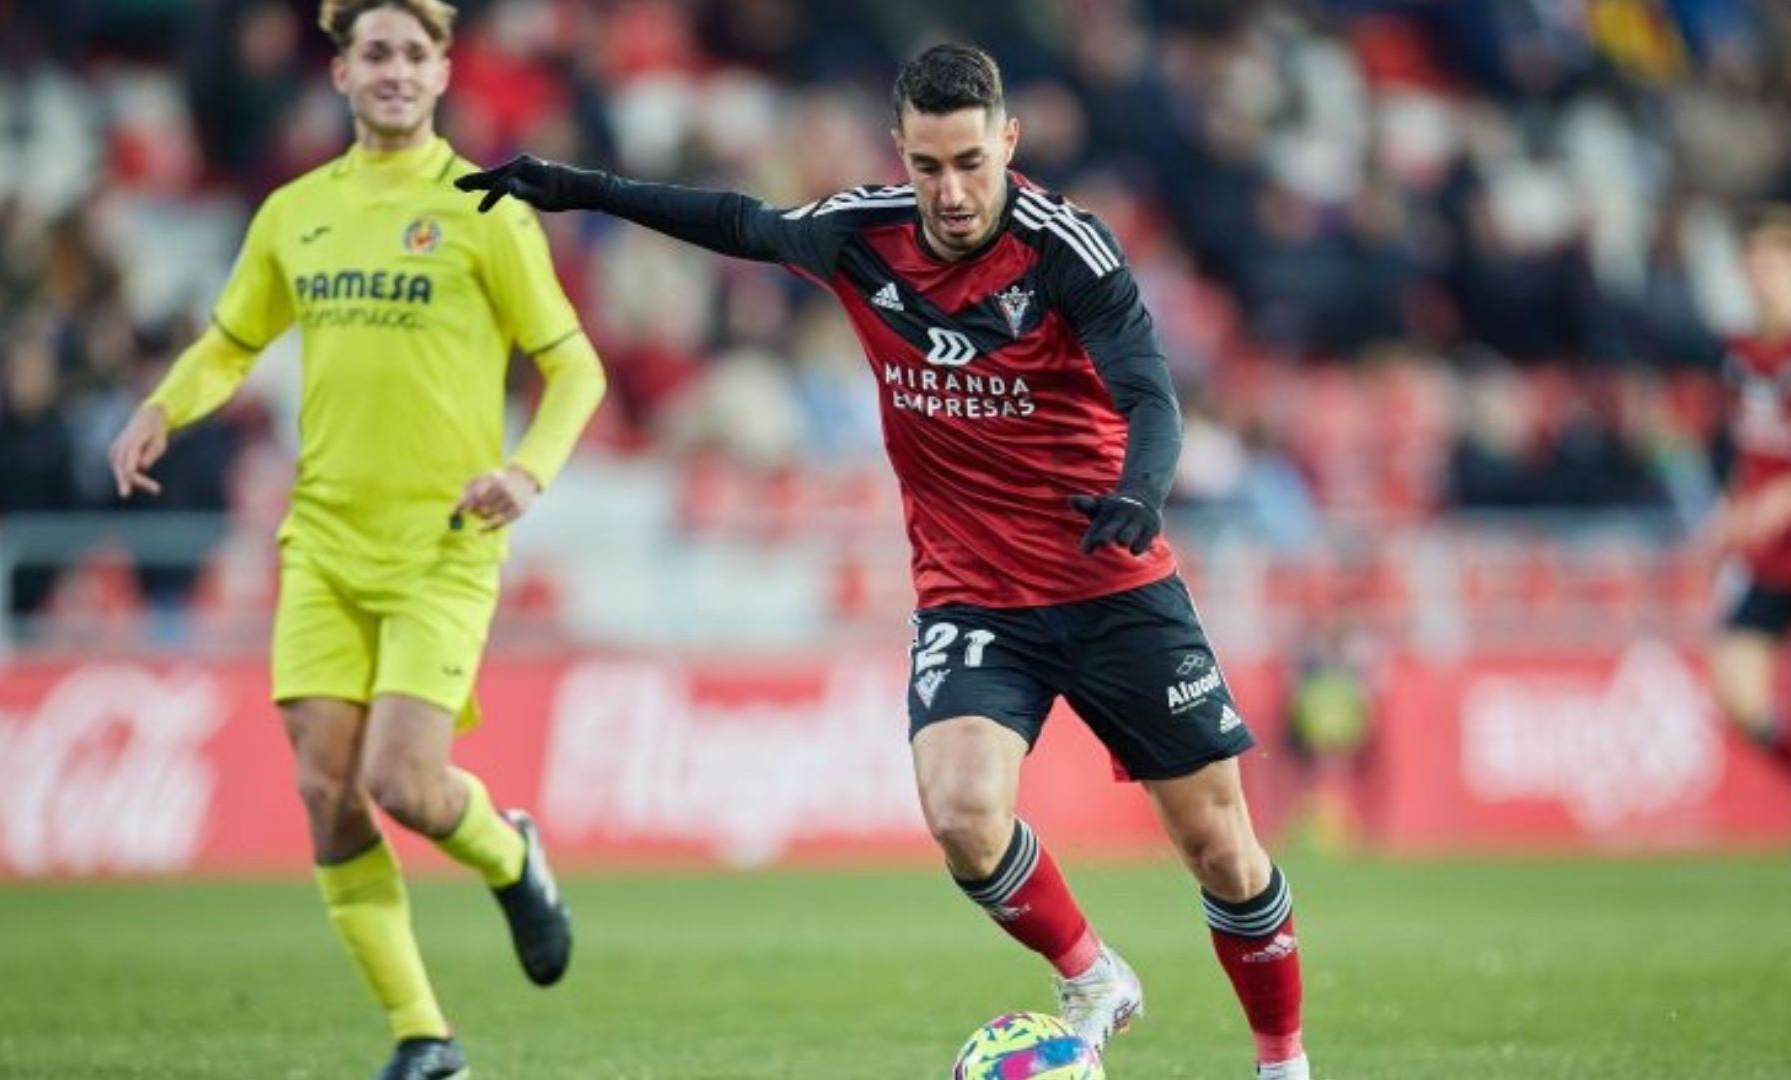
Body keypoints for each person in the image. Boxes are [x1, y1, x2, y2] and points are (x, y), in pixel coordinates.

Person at [459, 43, 1309, 1079]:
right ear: (898, 151)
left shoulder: (1068, 250)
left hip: (1113, 577)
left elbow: (1149, 395)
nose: (951, 192)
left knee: (1219, 847)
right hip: (974, 596)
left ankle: (1282, 1061)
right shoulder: (858, 235)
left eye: (971, 163)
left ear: (1008, 143)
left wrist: (1141, 489)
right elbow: (736, 222)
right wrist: (580, 189)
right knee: (962, 817)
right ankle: (1092, 976)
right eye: (928, 166)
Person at [109, 3, 605, 1077]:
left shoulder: (484, 206)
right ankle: (425, 1037)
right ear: (340, 73)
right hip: (324, 543)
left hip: (442, 545)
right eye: (374, 52)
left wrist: (526, 472)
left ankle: (510, 853)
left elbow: (575, 366)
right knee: (325, 795)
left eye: (415, 54)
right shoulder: (296, 213)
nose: (394, 70)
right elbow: (231, 340)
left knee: (405, 783)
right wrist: (162, 406)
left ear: (443, 73)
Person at [1711, 204, 1791, 777]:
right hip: (1771, 551)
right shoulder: (1740, 356)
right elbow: (1748, 448)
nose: (1761, 277)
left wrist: (1781, 499)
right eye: (1754, 264)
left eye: (1773, 264)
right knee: (1734, 681)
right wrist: (1735, 507)